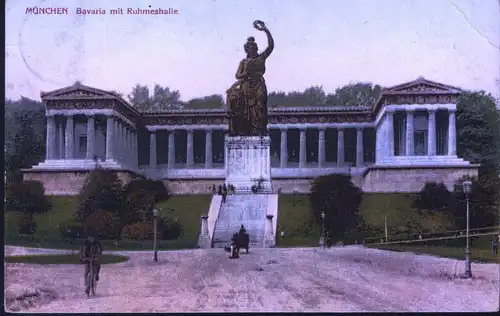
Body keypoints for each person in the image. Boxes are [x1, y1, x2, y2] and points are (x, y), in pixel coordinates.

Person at [226, 20, 274, 137]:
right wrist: (245, 73)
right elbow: (238, 75)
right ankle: (244, 129)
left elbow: (271, 46)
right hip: (246, 86)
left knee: (260, 107)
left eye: (253, 47)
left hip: (258, 84)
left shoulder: (261, 57)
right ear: (247, 49)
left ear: (256, 48)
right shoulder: (244, 62)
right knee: (242, 108)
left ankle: (259, 129)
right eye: (249, 47)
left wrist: (266, 30)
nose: (251, 49)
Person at [79, 230, 103, 295]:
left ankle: (96, 275)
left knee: (96, 269)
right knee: (86, 272)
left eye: (91, 237)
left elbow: (99, 252)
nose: (90, 239)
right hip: (87, 260)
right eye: (89, 237)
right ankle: (87, 285)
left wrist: (97, 257)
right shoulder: (85, 244)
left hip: (94, 260)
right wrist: (82, 258)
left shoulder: (97, 244)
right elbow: (81, 252)